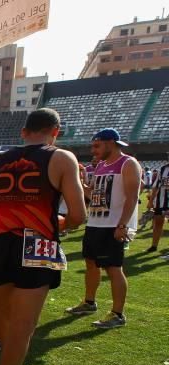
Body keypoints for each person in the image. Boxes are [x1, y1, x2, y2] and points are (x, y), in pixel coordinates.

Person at [0, 108, 86, 365]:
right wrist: (44, 222)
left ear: (24, 133)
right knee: (23, 328)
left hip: (3, 245)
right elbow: (78, 216)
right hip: (37, 246)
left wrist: (14, 213)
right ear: (56, 132)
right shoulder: (62, 159)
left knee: (3, 322)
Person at [65, 129, 140, 329]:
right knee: (91, 264)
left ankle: (118, 314)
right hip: (95, 224)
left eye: (97, 145)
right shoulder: (100, 167)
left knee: (113, 268)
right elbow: (95, 194)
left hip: (113, 226)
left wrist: (123, 224)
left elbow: (132, 197)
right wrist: (80, 183)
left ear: (110, 143)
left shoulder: (128, 163)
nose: (93, 150)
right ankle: (89, 302)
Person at [148, 152, 169, 253]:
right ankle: (154, 245)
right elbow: (156, 186)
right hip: (161, 201)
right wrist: (151, 201)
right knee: (158, 222)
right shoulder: (163, 169)